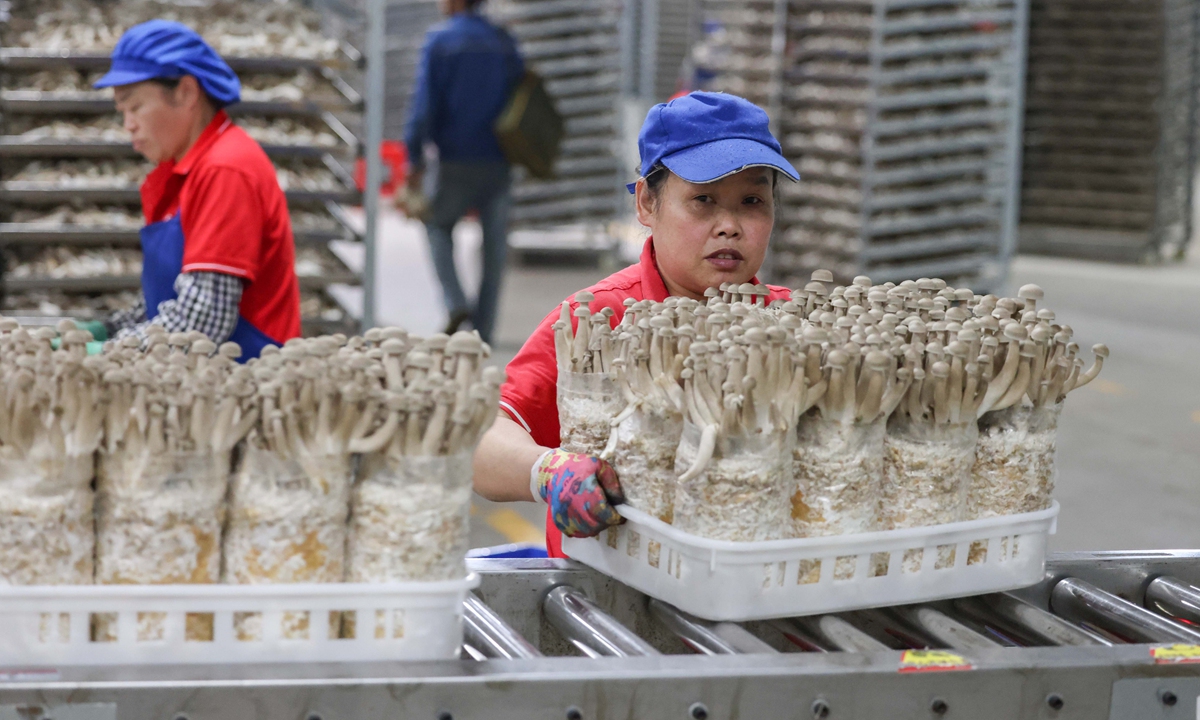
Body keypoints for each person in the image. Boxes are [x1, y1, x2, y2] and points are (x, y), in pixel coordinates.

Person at [472, 92, 800, 557]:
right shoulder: (596, 322)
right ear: (647, 203)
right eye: (703, 200)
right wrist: (548, 470)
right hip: (607, 601)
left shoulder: (794, 329)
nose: (729, 225)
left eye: (752, 201)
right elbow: (483, 439)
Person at [97, 20, 301, 359]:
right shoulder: (181, 173)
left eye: (135, 107)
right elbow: (172, 300)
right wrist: (110, 328)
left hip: (245, 382)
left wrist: (105, 351)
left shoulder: (226, 169)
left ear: (187, 93)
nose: (128, 125)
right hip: (194, 380)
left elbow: (203, 320)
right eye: (122, 112)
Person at [402, 0, 524, 343]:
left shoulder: (441, 41)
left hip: (454, 159)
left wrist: (414, 157)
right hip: (500, 160)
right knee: (494, 245)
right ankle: (484, 329)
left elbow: (423, 106)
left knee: (438, 225)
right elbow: (525, 97)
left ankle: (455, 302)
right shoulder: (503, 41)